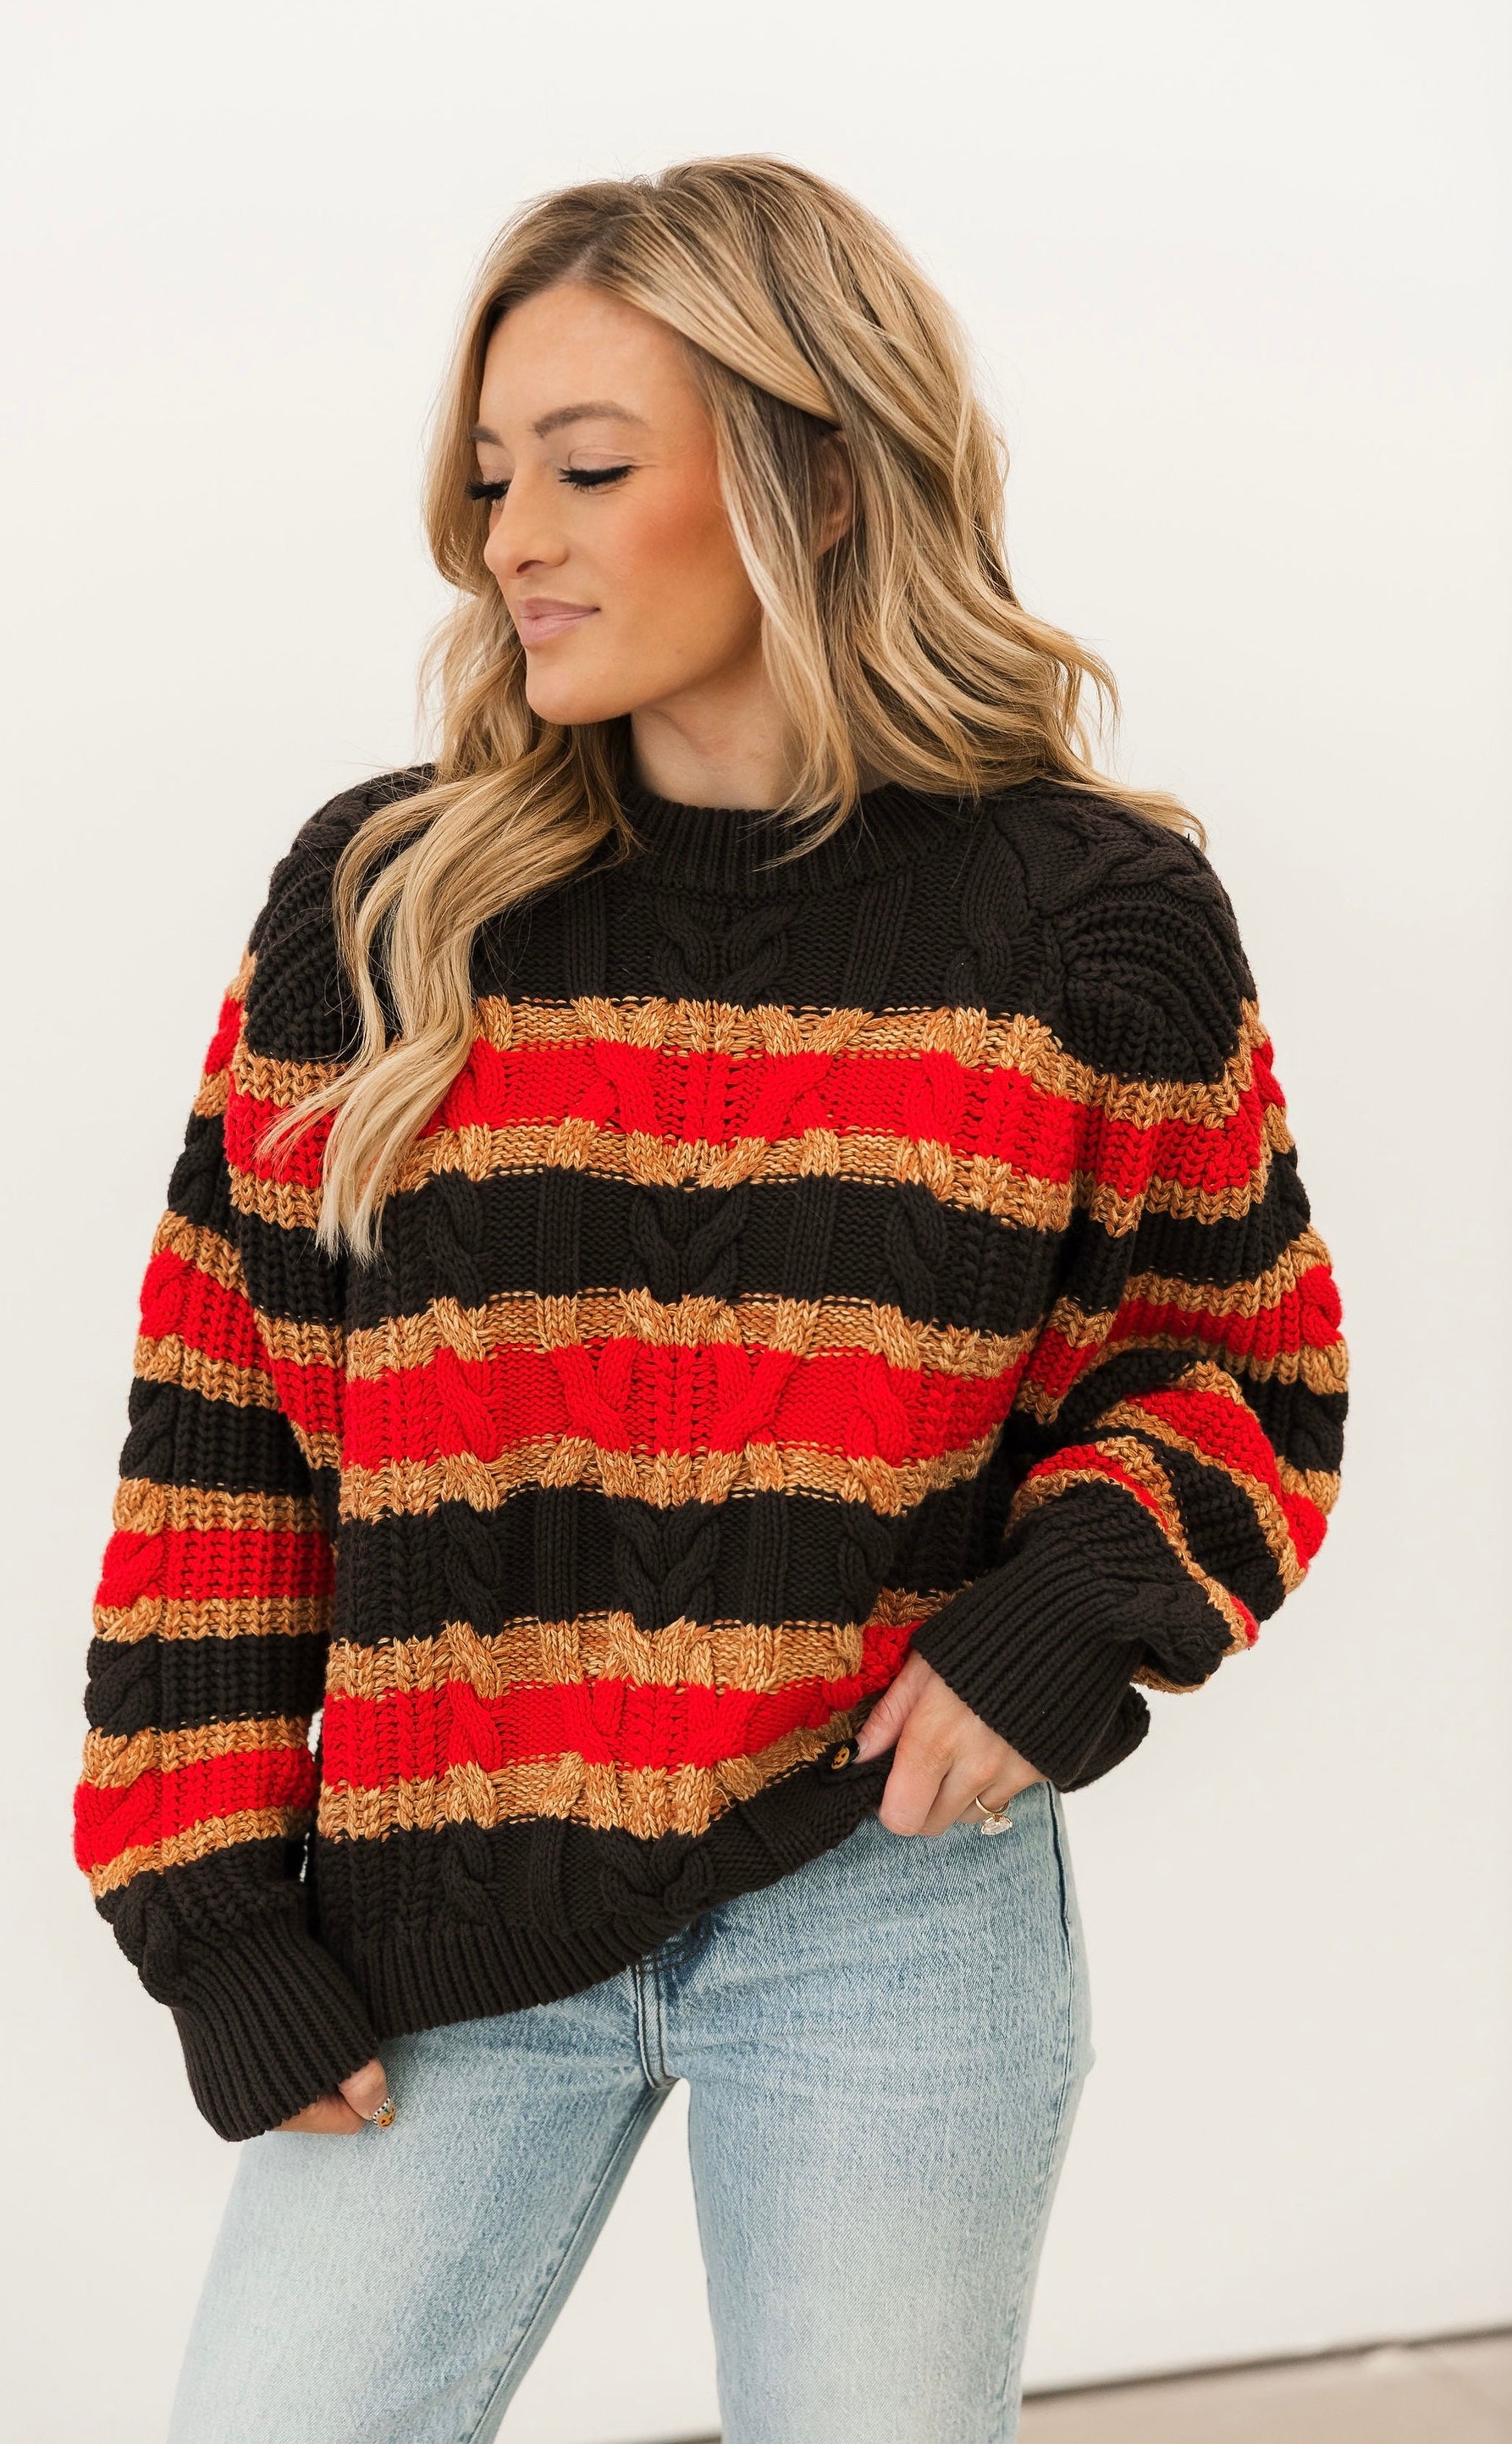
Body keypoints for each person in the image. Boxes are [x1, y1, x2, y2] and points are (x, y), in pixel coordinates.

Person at [72, 155, 1348, 2444]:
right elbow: (219, 1431)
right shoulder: (379, 908)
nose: (512, 540)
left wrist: (1061, 1619)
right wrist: (215, 1912)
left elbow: (1239, 1360)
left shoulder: (1088, 921)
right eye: (492, 476)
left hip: (887, 1904)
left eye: (585, 468)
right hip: (438, 1911)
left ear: (819, 481)